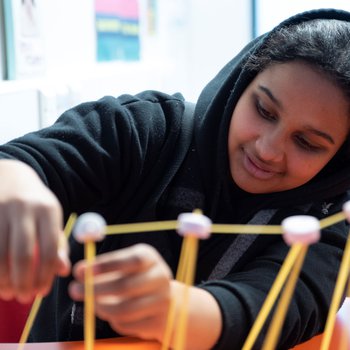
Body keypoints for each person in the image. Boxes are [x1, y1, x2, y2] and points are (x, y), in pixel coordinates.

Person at [0, 7, 350, 350]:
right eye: (263, 110)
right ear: (240, 85)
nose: (268, 149)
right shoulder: (145, 130)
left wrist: (172, 309)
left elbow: (280, 307)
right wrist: (14, 177)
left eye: (307, 143)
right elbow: (29, 160)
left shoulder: (333, 219)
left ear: (339, 161)